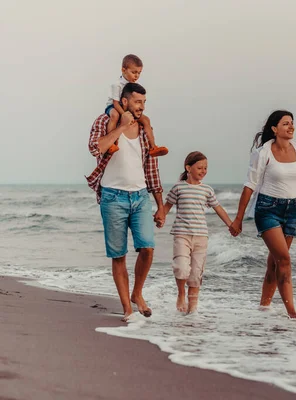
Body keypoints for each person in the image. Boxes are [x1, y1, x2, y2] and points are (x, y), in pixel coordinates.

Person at [86, 82, 166, 322]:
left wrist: (160, 204)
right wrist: (120, 127)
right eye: (137, 102)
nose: (141, 107)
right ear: (124, 102)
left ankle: (137, 293)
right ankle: (127, 310)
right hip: (112, 197)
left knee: (148, 248)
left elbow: (151, 167)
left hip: (140, 197)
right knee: (118, 255)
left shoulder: (143, 128)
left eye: (144, 102)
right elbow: (95, 148)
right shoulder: (105, 120)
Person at [229, 110, 296, 319]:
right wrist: (239, 218)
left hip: (292, 210)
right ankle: (291, 311)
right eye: (286, 123)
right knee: (284, 259)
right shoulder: (263, 152)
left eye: (292, 123)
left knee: (275, 262)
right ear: (275, 129)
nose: (291, 126)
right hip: (267, 209)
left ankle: (264, 307)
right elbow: (250, 184)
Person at [159, 151, 234, 314]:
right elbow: (166, 206)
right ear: (188, 168)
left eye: (205, 168)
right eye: (199, 167)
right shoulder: (178, 187)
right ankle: (181, 294)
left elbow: (218, 208)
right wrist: (160, 218)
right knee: (181, 268)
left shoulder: (207, 190)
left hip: (201, 236)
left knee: (195, 274)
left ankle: (192, 311)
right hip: (182, 235)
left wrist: (231, 224)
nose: (203, 171)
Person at [104, 54, 168, 157]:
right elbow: (116, 103)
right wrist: (125, 114)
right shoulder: (117, 85)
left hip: (127, 109)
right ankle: (111, 144)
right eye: (133, 72)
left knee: (146, 120)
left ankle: (153, 147)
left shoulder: (133, 86)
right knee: (114, 116)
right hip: (113, 107)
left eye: (139, 73)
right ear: (123, 70)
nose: (136, 76)